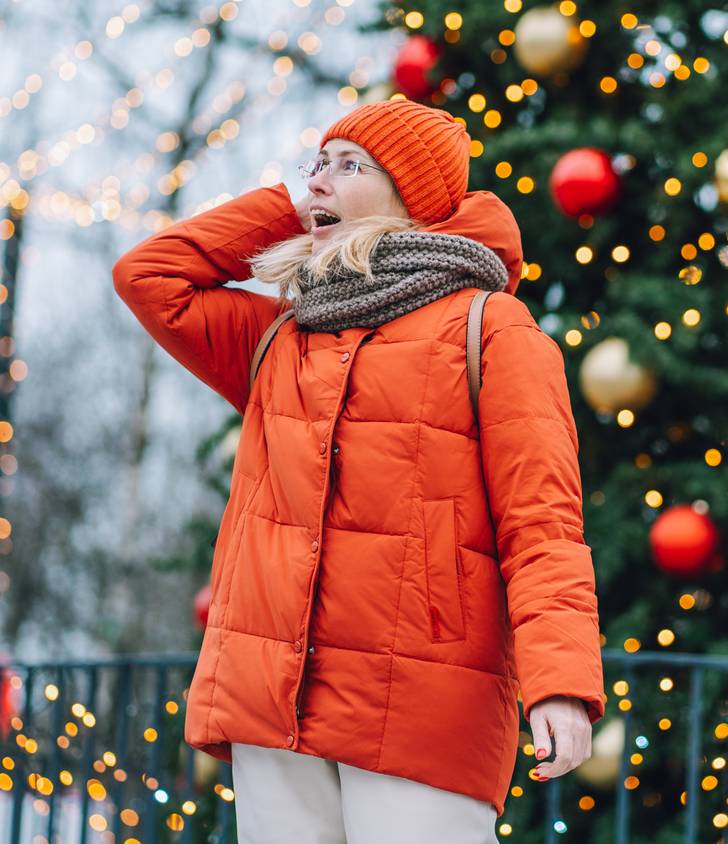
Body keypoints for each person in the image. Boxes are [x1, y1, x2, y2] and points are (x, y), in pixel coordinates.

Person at [112, 98, 606, 843]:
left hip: (421, 695)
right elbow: (150, 276)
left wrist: (560, 683)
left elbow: (543, 527)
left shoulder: (491, 328)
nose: (320, 182)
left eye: (350, 167)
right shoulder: (283, 332)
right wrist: (288, 211)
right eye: (318, 164)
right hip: (275, 695)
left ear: (416, 195)